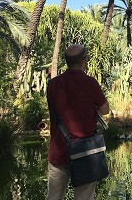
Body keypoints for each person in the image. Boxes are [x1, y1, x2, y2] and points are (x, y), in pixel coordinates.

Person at [45, 44, 109, 200]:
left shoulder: (53, 84)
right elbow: (105, 109)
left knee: (53, 196)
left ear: (66, 61)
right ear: (84, 60)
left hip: (58, 153)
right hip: (85, 152)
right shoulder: (90, 83)